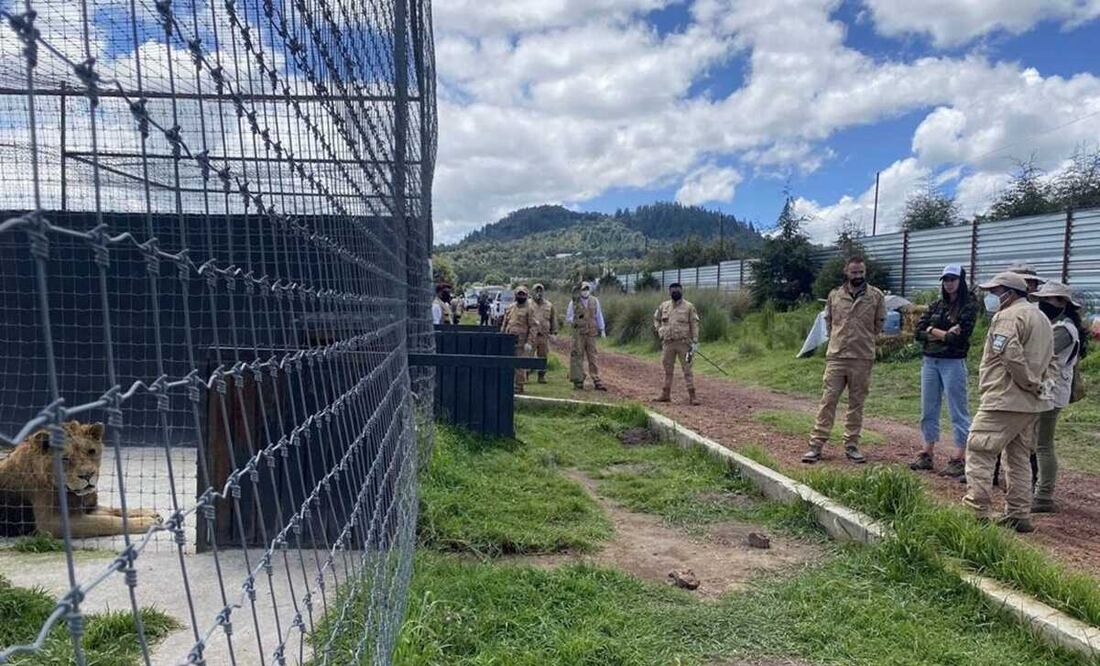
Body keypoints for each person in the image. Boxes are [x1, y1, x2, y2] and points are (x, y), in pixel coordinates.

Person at [963, 272, 1053, 533]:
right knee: (1018, 458)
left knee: (980, 449)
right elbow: (1049, 358)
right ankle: (1018, 514)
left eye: (994, 292)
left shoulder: (1007, 316)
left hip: (1004, 397)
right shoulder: (1042, 318)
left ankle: (976, 511)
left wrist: (1027, 380)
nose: (991, 298)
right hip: (1030, 402)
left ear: (1009, 293)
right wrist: (1037, 386)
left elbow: (1010, 355)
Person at [803, 256, 886, 464]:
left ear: (864, 272)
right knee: (828, 401)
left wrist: (863, 340)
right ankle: (816, 445)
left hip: (862, 357)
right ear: (846, 272)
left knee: (856, 404)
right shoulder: (835, 296)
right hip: (837, 356)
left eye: (861, 272)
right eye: (854, 272)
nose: (857, 276)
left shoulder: (875, 296)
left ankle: (852, 445)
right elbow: (830, 323)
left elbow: (878, 325)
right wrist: (838, 341)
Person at [910, 265, 977, 478]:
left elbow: (958, 337)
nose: (949, 283)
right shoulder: (937, 304)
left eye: (953, 279)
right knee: (928, 408)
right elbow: (918, 331)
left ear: (961, 281)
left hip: (953, 362)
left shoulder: (969, 305)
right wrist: (940, 332)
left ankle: (959, 456)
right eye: (946, 279)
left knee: (958, 409)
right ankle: (927, 451)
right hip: (930, 361)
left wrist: (932, 331)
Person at [1030, 281, 1086, 513]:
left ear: (1062, 303)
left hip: (1051, 390)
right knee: (1037, 441)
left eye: (1048, 300)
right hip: (1048, 388)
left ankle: (1043, 496)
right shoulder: (1059, 325)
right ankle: (1039, 491)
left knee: (1043, 444)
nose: (1043, 304)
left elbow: (1042, 353)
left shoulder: (1064, 329)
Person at [991, 262, 1046, 487]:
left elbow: (1010, 354)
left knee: (993, 446)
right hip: (1015, 388)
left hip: (1019, 389)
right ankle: (1014, 498)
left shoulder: (1024, 315)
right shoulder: (1029, 314)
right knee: (1013, 447)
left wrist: (1033, 384)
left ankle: (983, 505)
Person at [653, 282, 700, 405]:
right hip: (668, 343)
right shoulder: (664, 306)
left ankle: (692, 395)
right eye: (673, 290)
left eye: (677, 290)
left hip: (684, 344)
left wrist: (695, 341)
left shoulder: (689, 307)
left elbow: (694, 324)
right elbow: (656, 319)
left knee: (687, 369)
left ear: (682, 291)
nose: (675, 292)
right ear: (669, 292)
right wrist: (659, 330)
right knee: (667, 369)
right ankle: (665, 394)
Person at [565, 281, 607, 391]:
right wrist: (576, 320)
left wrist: (602, 329)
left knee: (593, 356)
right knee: (577, 356)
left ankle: (596, 379)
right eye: (583, 289)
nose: (585, 291)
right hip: (578, 334)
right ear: (580, 291)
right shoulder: (574, 302)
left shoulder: (594, 301)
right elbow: (568, 317)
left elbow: (599, 315)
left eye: (587, 289)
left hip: (591, 333)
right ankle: (578, 380)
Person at [500, 285, 539, 394]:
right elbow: (505, 322)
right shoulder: (511, 307)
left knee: (519, 365)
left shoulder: (530, 309)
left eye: (523, 294)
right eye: (519, 294)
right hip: (508, 341)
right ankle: (508, 384)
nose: (520, 296)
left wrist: (530, 342)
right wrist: (502, 335)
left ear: (526, 296)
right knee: (507, 364)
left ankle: (519, 386)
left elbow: (534, 326)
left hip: (521, 342)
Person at [528, 284, 557, 384]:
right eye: (536, 290)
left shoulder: (549, 305)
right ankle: (526, 374)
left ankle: (541, 375)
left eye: (540, 290)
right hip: (531, 335)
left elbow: (553, 319)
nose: (538, 293)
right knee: (528, 355)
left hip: (543, 335)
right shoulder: (528, 303)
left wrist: (553, 332)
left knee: (543, 355)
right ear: (533, 291)